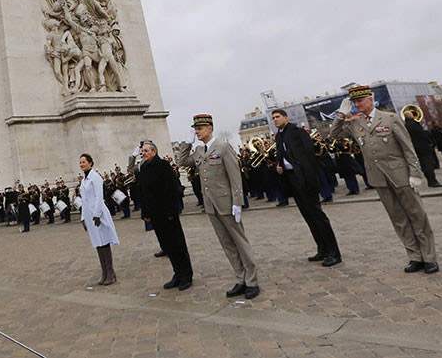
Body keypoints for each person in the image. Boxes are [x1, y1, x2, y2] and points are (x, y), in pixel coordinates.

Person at [331, 86, 438, 273]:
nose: (357, 105)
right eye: (354, 102)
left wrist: (415, 173)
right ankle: (414, 257)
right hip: (378, 178)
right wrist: (341, 114)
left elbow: (407, 148)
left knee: (417, 216)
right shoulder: (356, 123)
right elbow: (334, 134)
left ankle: (429, 257)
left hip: (400, 175)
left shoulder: (390, 118)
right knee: (398, 219)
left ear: (371, 99)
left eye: (360, 100)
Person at [175, 115, 260, 299]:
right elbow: (182, 162)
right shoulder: (198, 150)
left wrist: (238, 202)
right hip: (211, 205)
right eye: (195, 129)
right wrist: (186, 143)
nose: (196, 132)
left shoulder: (222, 147)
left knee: (240, 242)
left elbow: (234, 176)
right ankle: (240, 279)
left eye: (199, 129)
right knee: (227, 245)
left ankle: (252, 281)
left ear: (210, 128)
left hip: (227, 203)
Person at [272, 109, 341, 266]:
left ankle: (334, 252)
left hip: (305, 179)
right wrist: (279, 165)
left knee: (318, 216)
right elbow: (282, 155)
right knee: (308, 217)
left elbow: (309, 156)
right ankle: (322, 249)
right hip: (292, 179)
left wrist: (310, 180)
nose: (275, 120)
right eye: (273, 118)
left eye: (278, 117)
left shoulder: (297, 132)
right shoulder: (279, 135)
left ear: (286, 118)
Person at [136, 141, 193, 291]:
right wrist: (145, 213)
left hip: (168, 213)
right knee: (167, 246)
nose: (144, 153)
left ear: (154, 152)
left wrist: (171, 211)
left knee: (178, 245)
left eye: (146, 151)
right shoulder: (143, 168)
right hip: (155, 215)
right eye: (142, 151)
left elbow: (172, 189)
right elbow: (143, 192)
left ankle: (186, 275)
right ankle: (177, 274)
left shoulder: (163, 166)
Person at [78, 153, 119, 286]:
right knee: (97, 243)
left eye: (84, 162)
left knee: (104, 242)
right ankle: (104, 272)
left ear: (90, 163)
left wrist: (96, 214)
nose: (82, 164)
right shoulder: (83, 180)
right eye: (80, 162)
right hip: (90, 216)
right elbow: (84, 201)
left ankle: (110, 272)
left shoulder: (95, 178)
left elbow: (99, 197)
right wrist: (84, 218)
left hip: (99, 214)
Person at [403, 112, 442, 188]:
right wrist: (429, 141)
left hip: (415, 147)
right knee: (428, 163)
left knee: (423, 164)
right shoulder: (415, 124)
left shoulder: (405, 126)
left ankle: (430, 180)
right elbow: (422, 134)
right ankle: (433, 181)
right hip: (423, 146)